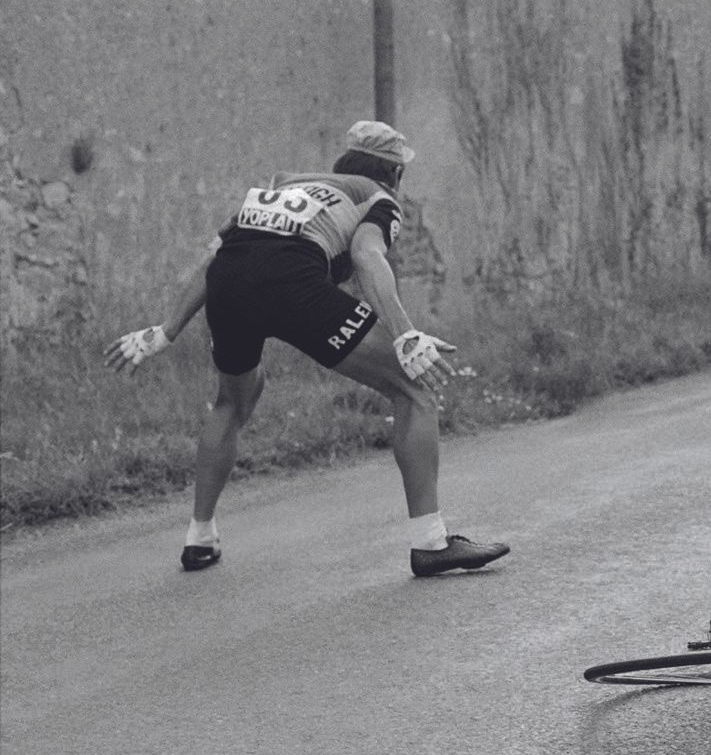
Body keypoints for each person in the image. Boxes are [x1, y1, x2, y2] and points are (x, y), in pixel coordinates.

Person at [104, 121, 511, 577]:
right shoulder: (377, 197)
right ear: (395, 174)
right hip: (292, 282)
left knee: (234, 398)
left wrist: (166, 330)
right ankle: (432, 544)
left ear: (341, 162)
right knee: (413, 389)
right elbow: (366, 255)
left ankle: (199, 538)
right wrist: (404, 333)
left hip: (229, 285)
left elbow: (217, 255)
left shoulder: (281, 184)